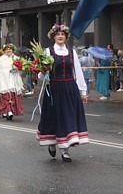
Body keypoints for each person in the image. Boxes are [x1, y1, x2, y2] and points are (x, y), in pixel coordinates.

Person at [36, 24, 89, 162]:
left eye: (63, 34)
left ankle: (65, 150)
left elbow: (77, 71)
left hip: (69, 88)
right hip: (54, 88)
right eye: (58, 34)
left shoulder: (71, 52)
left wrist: (83, 91)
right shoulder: (48, 52)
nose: (60, 36)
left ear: (66, 37)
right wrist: (43, 70)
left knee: (68, 117)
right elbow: (41, 76)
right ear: (53, 36)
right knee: (54, 117)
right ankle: (52, 142)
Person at [0, 43, 25, 121]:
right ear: (4, 51)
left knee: (13, 95)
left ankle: (11, 111)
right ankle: (8, 112)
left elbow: (21, 69)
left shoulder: (16, 58)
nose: (9, 50)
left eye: (10, 49)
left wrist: (17, 68)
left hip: (13, 80)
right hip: (4, 81)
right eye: (7, 49)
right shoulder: (1, 59)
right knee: (6, 96)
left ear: (12, 50)